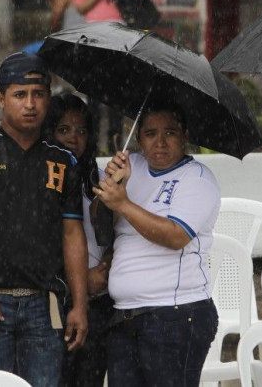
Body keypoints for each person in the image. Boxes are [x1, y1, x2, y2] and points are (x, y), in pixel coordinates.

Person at [0, 52, 88, 385]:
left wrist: (79, 305)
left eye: (38, 94)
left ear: (48, 99)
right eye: (20, 95)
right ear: (0, 98)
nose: (30, 103)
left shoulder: (62, 159)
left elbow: (72, 234)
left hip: (44, 305)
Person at [93, 102, 219, 387]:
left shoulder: (198, 178)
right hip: (124, 314)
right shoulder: (131, 166)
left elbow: (175, 236)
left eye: (170, 132)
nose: (160, 142)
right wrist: (109, 190)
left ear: (185, 135)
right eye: (150, 133)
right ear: (138, 138)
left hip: (175, 314)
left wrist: (123, 203)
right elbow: (99, 226)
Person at [44, 93, 113, 387]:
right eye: (63, 130)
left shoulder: (101, 180)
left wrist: (105, 269)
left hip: (98, 301)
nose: (74, 138)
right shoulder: (41, 178)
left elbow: (119, 236)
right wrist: (78, 281)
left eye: (81, 130)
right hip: (55, 302)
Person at [71, 0, 149, 155]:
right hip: (93, 35)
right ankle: (93, 147)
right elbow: (81, 5)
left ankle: (115, 146)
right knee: (93, 93)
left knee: (116, 92)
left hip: (118, 33)